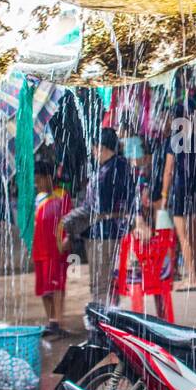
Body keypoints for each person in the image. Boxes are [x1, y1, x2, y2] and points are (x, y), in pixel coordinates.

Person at [83, 127, 132, 305]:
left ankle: (104, 322)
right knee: (101, 281)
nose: (93, 152)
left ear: (102, 147)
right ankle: (106, 318)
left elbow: (124, 200)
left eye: (94, 148)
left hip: (107, 232)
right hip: (99, 232)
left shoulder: (117, 167)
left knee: (102, 282)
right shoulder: (106, 168)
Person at [163, 108, 196, 291]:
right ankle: (195, 275)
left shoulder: (174, 140)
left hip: (180, 191)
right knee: (195, 236)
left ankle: (192, 278)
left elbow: (168, 171)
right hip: (195, 190)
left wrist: (164, 195)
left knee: (184, 238)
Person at [32, 162, 72, 338]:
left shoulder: (62, 195)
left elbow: (70, 220)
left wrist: (68, 239)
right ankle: (51, 322)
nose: (38, 184)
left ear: (48, 178)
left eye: (40, 180)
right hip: (40, 249)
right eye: (36, 181)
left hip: (56, 249)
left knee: (57, 286)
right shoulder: (38, 199)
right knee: (43, 288)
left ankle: (59, 322)